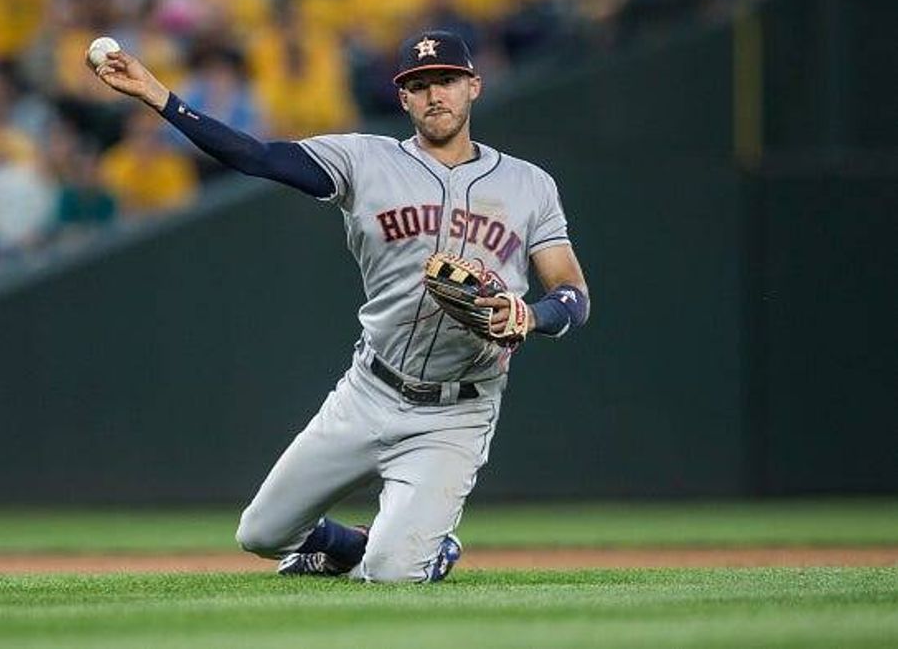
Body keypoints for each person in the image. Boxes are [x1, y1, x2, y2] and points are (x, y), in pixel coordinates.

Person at [92, 29, 590, 583]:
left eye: (446, 81)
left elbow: (572, 294)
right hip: (370, 391)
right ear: (403, 98)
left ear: (473, 86)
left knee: (393, 572)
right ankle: (351, 543)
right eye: (419, 85)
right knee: (260, 534)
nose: (434, 95)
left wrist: (532, 315)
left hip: (457, 411)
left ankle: (422, 549)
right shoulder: (363, 160)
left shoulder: (528, 185)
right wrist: (161, 98)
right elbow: (257, 157)